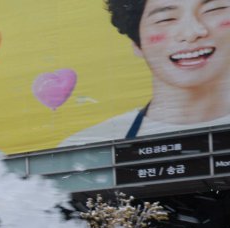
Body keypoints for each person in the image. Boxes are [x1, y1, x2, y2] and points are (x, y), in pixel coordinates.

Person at [63, 0, 230, 145]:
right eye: (166, 19)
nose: (192, 32)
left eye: (212, 10)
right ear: (137, 43)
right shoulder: (91, 145)